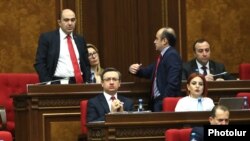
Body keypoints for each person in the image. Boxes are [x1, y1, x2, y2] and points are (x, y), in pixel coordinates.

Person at [129, 27, 182, 112]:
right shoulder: (163, 56)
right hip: (158, 102)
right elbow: (147, 72)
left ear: (164, 41)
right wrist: (134, 69)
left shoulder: (172, 55)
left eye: (157, 39)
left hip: (163, 103)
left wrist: (164, 101)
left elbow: (173, 83)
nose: (154, 41)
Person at [34, 9, 90, 84]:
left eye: (72, 20)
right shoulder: (47, 38)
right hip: (57, 82)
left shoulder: (80, 39)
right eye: (66, 20)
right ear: (59, 22)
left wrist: (87, 80)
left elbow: (86, 63)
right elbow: (40, 63)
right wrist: (47, 83)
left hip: (79, 82)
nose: (70, 23)